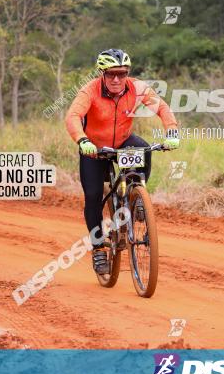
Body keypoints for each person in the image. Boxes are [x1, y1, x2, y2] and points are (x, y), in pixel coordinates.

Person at [65, 49, 179, 274]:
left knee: (145, 149)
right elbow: (73, 117)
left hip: (124, 141)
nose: (116, 79)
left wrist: (172, 131)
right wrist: (82, 139)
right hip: (95, 147)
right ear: (102, 74)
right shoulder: (89, 91)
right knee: (93, 196)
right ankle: (98, 249)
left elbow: (162, 107)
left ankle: (137, 197)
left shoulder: (137, 88)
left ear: (127, 72)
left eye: (121, 73)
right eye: (110, 74)